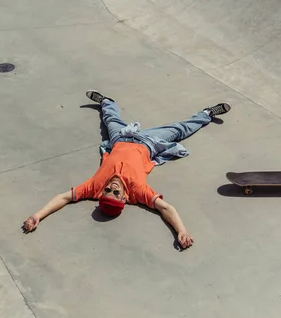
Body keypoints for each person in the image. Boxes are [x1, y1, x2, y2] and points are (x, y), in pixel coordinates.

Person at [22, 90, 231, 249]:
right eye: (115, 193)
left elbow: (64, 197)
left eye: (107, 192)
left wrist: (37, 215)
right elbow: (166, 208)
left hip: (120, 138)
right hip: (148, 142)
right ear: (123, 199)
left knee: (110, 119)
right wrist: (182, 232)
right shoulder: (137, 191)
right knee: (179, 130)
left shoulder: (94, 187)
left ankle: (106, 101)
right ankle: (207, 113)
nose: (111, 188)